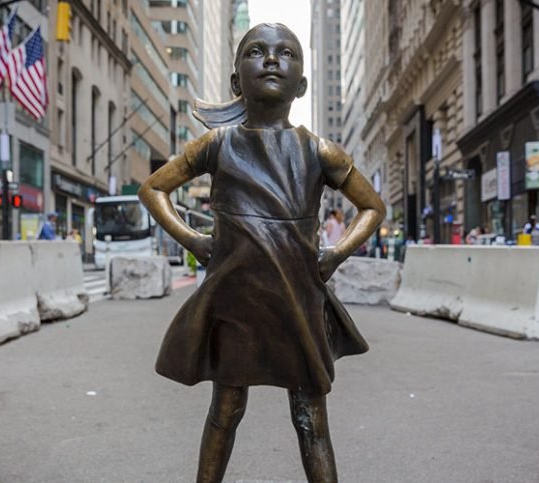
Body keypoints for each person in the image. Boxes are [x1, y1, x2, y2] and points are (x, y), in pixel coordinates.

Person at [138, 23, 385, 482]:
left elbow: (372, 206)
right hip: (236, 300)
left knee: (311, 417)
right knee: (226, 408)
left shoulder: (319, 150)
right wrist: (193, 240)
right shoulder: (217, 144)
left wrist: (335, 254)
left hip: (298, 299)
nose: (272, 60)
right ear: (237, 81)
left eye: (286, 54)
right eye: (257, 52)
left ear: (302, 84)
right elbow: (153, 189)